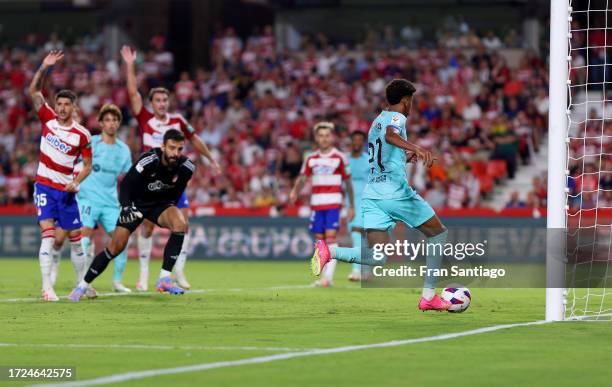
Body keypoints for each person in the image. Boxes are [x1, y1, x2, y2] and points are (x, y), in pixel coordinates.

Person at [311, 79, 452, 311]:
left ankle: (329, 251)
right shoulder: (397, 118)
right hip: (394, 192)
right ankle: (428, 296)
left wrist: (402, 158)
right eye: (412, 100)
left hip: (373, 195)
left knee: (377, 256)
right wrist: (416, 148)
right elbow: (390, 136)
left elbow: (383, 154)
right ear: (406, 101)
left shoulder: (376, 120)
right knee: (438, 234)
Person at [120, 46, 220, 291]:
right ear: (152, 102)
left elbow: (195, 139)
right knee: (147, 226)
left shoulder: (177, 121)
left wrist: (210, 158)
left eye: (165, 100)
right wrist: (130, 65)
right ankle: (143, 274)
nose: (162, 103)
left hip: (173, 181)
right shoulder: (145, 118)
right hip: (148, 181)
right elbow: (132, 92)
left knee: (182, 222)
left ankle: (177, 272)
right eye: (158, 100)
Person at [69, 129, 196, 301]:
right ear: (163, 146)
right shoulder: (150, 159)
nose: (175, 153)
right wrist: (127, 207)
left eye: (180, 149)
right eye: (172, 148)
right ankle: (82, 286)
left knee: (181, 224)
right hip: (136, 204)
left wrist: (168, 208)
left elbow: (176, 193)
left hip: (160, 205)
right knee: (115, 248)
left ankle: (164, 278)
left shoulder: (187, 167)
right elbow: (127, 184)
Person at [28, 51, 92, 301]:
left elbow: (87, 165)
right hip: (44, 186)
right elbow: (33, 91)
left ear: (74, 107)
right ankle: (47, 287)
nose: (63, 108)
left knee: (76, 240)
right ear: (55, 106)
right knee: (48, 234)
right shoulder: (48, 119)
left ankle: (80, 285)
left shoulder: (82, 134)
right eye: (60, 104)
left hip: (66, 191)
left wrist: (76, 182)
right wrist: (44, 66)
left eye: (67, 104)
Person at [76, 103, 133, 292]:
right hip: (87, 199)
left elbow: (129, 178)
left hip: (110, 202)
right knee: (83, 238)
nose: (111, 124)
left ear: (119, 123)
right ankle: (83, 281)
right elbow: (74, 164)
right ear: (100, 123)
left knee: (122, 241)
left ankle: (117, 282)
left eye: (115, 120)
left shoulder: (124, 150)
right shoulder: (91, 143)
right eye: (107, 120)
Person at [290, 122, 355, 287]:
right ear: (316, 138)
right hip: (316, 205)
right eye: (321, 136)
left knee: (331, 238)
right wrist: (295, 191)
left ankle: (328, 277)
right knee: (320, 241)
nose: (324, 139)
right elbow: (303, 178)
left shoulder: (340, 157)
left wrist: (351, 205)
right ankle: (324, 277)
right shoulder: (311, 158)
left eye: (327, 135)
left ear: (332, 137)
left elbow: (348, 183)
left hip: (333, 204)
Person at [346, 131, 370, 281]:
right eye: (354, 139)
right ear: (351, 141)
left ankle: (356, 270)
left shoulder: (368, 160)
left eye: (360, 140)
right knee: (360, 237)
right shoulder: (345, 160)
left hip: (364, 201)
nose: (357, 142)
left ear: (363, 142)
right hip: (349, 202)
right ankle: (366, 271)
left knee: (356, 233)